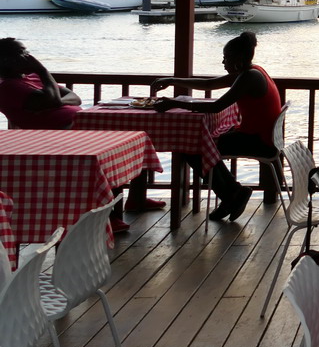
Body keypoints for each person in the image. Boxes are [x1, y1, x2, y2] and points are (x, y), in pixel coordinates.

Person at [0, 38, 163, 230]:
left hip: (78, 127)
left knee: (133, 139)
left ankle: (136, 199)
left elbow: (74, 98)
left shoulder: (33, 78)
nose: (28, 58)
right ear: (7, 60)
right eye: (22, 54)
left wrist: (55, 100)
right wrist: (43, 71)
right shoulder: (8, 87)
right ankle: (108, 216)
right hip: (53, 136)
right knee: (112, 151)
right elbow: (53, 97)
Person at [150, 31, 282, 222]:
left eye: (226, 58)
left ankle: (232, 194)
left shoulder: (249, 78)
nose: (223, 63)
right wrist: (172, 80)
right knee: (199, 146)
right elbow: (209, 83)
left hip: (258, 142)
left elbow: (216, 106)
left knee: (193, 149)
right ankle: (233, 193)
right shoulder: (251, 72)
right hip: (260, 137)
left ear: (238, 59)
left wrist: (174, 103)